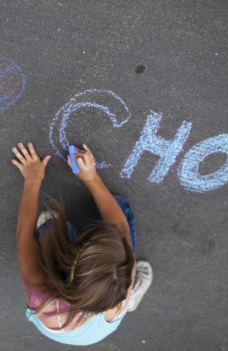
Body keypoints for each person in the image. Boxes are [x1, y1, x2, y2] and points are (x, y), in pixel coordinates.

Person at [12, 142, 153, 346]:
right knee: (117, 211)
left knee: (50, 226)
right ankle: (134, 288)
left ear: (70, 262)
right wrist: (91, 177)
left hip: (68, 321)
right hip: (98, 322)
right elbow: (119, 225)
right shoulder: (118, 281)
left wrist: (32, 179)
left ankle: (133, 286)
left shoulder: (43, 298)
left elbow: (23, 234)